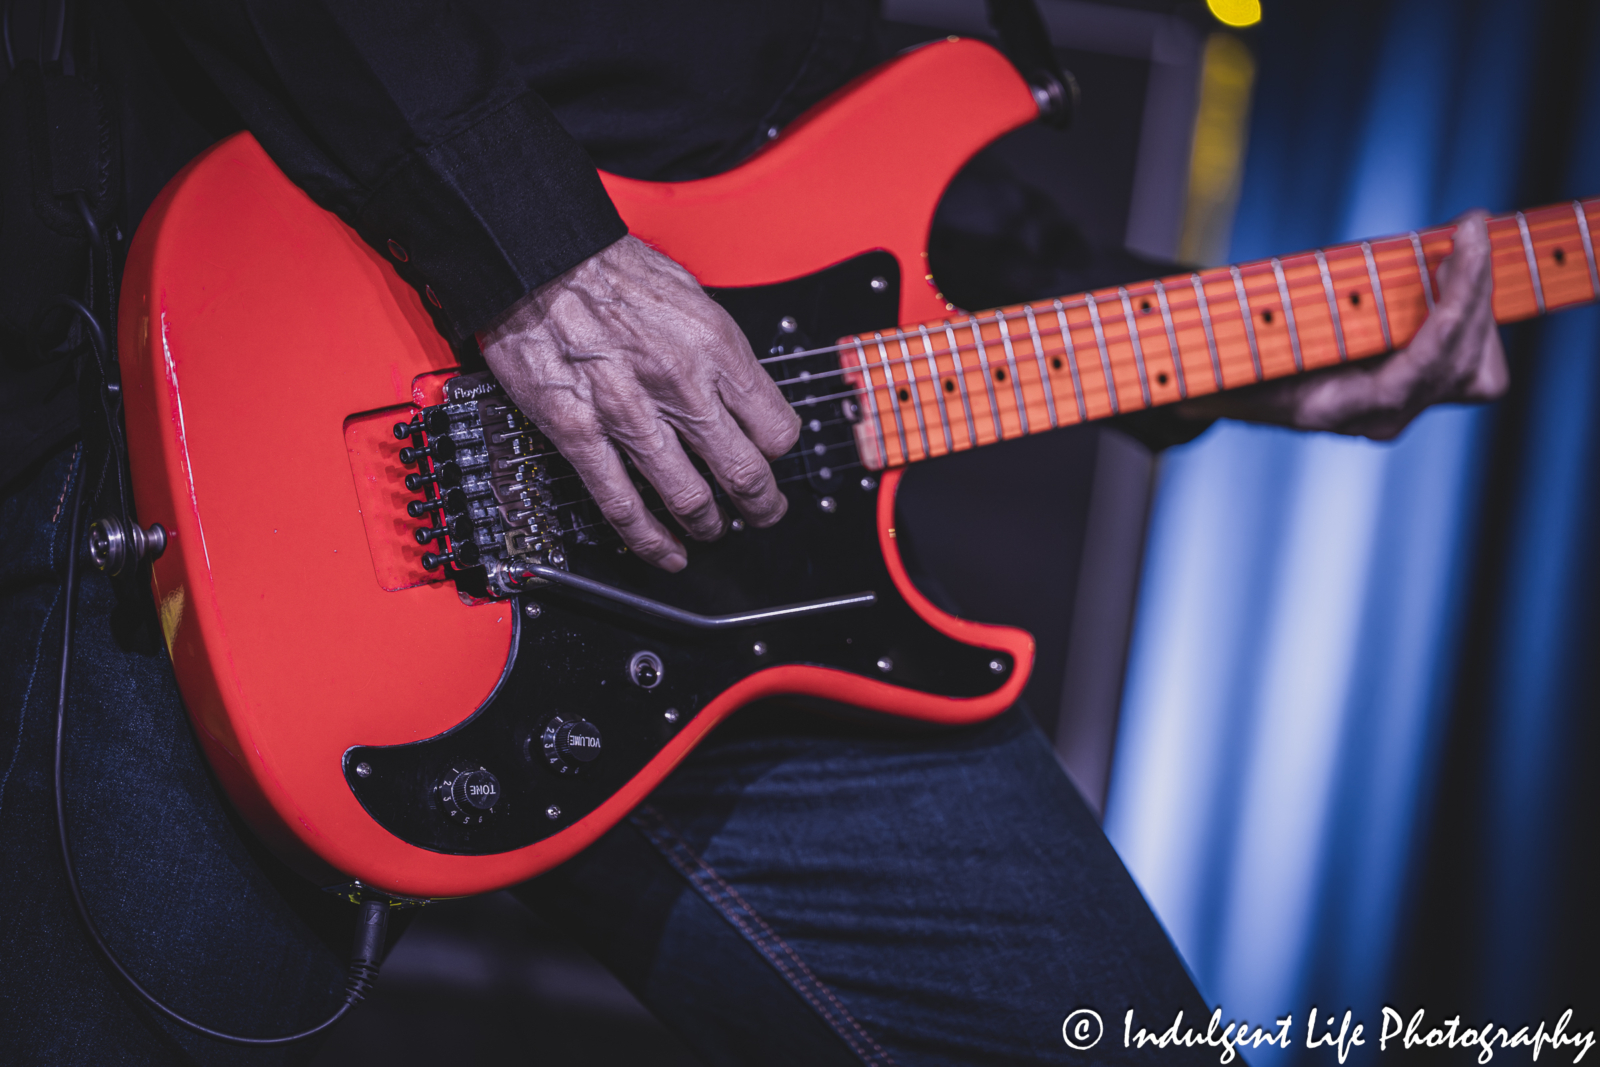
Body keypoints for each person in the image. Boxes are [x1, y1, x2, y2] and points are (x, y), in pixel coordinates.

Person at [0, 2, 1505, 1064]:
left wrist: (1231, 348)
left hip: (741, 571)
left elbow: (800, 155)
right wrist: (534, 257)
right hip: (269, 421)